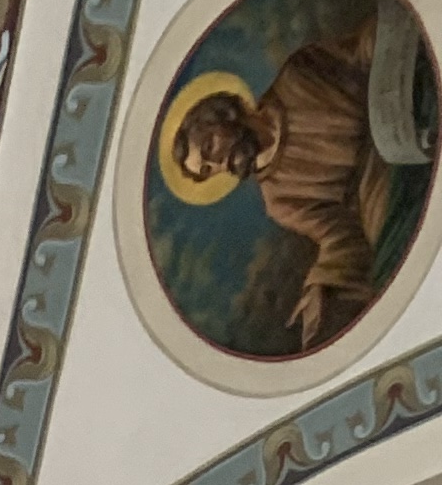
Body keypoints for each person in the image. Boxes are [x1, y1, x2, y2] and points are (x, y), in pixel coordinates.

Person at [173, 32, 411, 349]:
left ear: (225, 114)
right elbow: (338, 234)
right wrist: (322, 285)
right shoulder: (279, 199)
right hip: (380, 189)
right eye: (206, 170)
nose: (216, 164)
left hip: (403, 103)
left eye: (208, 146)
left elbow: (364, 50)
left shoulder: (298, 76)